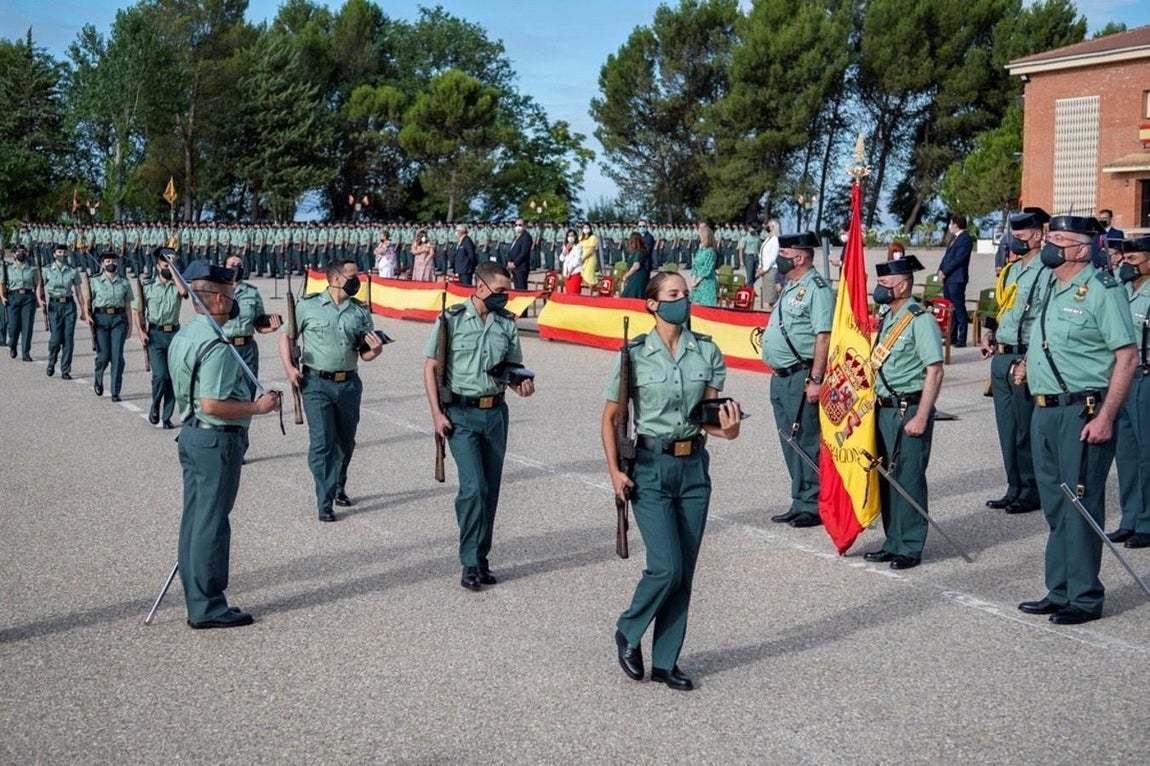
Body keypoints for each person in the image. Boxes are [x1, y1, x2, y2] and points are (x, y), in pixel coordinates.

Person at [602, 271, 741, 691]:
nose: (683, 300)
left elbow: (711, 418)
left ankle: (666, 661)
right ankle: (629, 628)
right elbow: (610, 418)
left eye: (686, 293)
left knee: (685, 572)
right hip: (649, 466)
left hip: (694, 469)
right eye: (673, 294)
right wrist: (614, 471)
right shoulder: (633, 354)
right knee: (666, 567)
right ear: (652, 303)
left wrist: (729, 430)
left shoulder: (708, 352)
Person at [1014, 215, 1136, 625]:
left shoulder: (1103, 291)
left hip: (1082, 412)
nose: (1049, 243)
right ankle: (1060, 588)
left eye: (1059, 239)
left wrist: (1106, 417)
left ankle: (1084, 597)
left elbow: (1126, 356)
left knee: (1080, 503)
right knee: (1054, 505)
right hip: (1045, 411)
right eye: (1050, 237)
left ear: (1083, 249)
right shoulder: (1053, 284)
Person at [170, 259, 282, 629]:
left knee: (196, 520)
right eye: (231, 295)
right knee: (211, 523)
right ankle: (207, 606)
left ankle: (198, 597)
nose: (235, 302)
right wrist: (258, 408)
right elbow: (212, 403)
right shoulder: (216, 345)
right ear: (216, 300)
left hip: (193, 433)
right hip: (215, 437)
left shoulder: (187, 334)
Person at [423, 261, 535, 590]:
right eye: (500, 290)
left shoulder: (506, 323)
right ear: (481, 286)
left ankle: (482, 558)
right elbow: (430, 368)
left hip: (496, 414)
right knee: (474, 489)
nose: (506, 296)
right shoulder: (450, 321)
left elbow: (513, 365)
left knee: (491, 491)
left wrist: (520, 383)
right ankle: (469, 561)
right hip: (461, 415)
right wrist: (436, 414)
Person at [280, 259, 383, 522]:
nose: (356, 279)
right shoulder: (308, 305)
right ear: (336, 278)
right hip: (316, 384)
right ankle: (324, 500)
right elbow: (287, 336)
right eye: (351, 275)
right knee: (322, 443)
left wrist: (376, 350)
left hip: (349, 384)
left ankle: (338, 485)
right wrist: (290, 370)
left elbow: (364, 352)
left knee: (345, 442)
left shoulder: (359, 311)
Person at [862, 255, 945, 570]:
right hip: (883, 409)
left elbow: (934, 371)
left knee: (908, 477)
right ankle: (892, 541)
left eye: (885, 284)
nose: (879, 289)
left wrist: (922, 416)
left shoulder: (919, 319)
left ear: (904, 284)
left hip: (907, 408)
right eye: (879, 283)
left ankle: (910, 545)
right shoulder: (889, 317)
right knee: (887, 478)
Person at [979, 208, 1050, 514]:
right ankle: (1014, 486)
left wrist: (1031, 360)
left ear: (1037, 235)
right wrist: (988, 330)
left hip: (1024, 356)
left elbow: (1043, 319)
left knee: (1025, 428)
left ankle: (1032, 488)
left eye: (1020, 236)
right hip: (1001, 354)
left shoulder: (1046, 271)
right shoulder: (1010, 270)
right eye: (1013, 236)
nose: (1014, 241)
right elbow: (1001, 305)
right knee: (1006, 428)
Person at [762, 232, 833, 528]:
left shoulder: (817, 289)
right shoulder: (792, 286)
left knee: (805, 438)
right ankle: (799, 498)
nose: (780, 258)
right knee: (790, 440)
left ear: (800, 257)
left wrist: (816, 379)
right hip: (780, 377)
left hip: (801, 376)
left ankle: (814, 503)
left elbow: (823, 336)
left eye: (785, 252)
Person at [1109, 235, 1150, 548]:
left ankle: (1147, 522)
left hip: (1146, 378)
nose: (1126, 265)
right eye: (1124, 260)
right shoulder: (1121, 290)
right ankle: (1130, 517)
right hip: (1122, 378)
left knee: (1147, 454)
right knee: (1125, 453)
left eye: (1133, 261)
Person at [136, 249, 188, 428]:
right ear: (157, 266)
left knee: (173, 378)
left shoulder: (178, 284)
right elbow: (139, 311)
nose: (169, 268)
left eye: (172, 265)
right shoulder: (148, 286)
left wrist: (174, 270)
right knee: (160, 375)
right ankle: (155, 404)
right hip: (156, 335)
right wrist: (140, 332)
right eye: (166, 265)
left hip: (174, 334)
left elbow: (184, 293)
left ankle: (166, 417)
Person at [222, 254, 280, 400]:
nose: (235, 267)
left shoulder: (252, 293)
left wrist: (271, 328)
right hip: (226, 347)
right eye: (231, 264)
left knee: (248, 391)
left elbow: (258, 324)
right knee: (225, 392)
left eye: (239, 265)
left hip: (248, 349)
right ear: (224, 268)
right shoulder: (218, 292)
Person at [88, 251, 136, 401]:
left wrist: (131, 326)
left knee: (117, 356)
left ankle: (115, 391)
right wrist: (87, 315)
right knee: (104, 355)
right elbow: (88, 300)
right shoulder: (94, 281)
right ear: (102, 264)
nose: (111, 264)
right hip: (101, 319)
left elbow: (128, 305)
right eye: (108, 261)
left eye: (113, 261)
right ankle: (98, 376)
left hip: (119, 320)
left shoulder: (124, 282)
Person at [42, 243, 89, 379]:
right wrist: (40, 300)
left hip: (69, 306)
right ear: (54, 254)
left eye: (64, 252)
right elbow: (39, 286)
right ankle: (52, 360)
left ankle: (65, 369)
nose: (62, 255)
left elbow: (79, 293)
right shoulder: (47, 270)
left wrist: (84, 310)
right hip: (54, 305)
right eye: (59, 252)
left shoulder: (73, 271)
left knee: (68, 339)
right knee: (56, 339)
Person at [937, 213, 972, 347]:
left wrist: (945, 271)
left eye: (951, 223)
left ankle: (961, 338)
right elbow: (947, 257)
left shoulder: (965, 239)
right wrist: (940, 270)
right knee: (950, 308)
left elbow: (958, 259)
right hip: (948, 279)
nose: (950, 226)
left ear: (956, 224)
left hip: (957, 278)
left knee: (959, 308)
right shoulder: (954, 239)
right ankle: (951, 336)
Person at [3, 245, 41, 361]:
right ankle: (13, 345)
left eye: (22, 251)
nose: (20, 253)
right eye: (18, 251)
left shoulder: (32, 269)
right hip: (13, 297)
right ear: (14, 254)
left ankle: (26, 352)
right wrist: (2, 296)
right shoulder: (8, 269)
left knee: (27, 326)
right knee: (13, 327)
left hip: (28, 298)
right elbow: (3, 283)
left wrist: (38, 298)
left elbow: (38, 284)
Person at [690, 222, 718, 307]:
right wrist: (693, 280)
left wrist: (697, 281)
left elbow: (707, 269)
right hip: (697, 284)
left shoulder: (710, 252)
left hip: (706, 283)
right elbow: (695, 266)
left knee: (706, 308)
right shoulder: (700, 251)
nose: (701, 240)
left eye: (702, 238)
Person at [755, 219, 781, 307]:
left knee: (772, 298)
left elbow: (772, 258)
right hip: (765, 270)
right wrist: (759, 267)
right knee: (769, 298)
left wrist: (764, 269)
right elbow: (762, 254)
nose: (766, 227)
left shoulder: (775, 240)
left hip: (771, 270)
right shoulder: (768, 238)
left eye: (768, 225)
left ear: (773, 227)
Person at [620, 231, 651, 299]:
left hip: (637, 277)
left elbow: (636, 266)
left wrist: (626, 275)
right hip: (635, 276)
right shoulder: (635, 252)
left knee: (628, 295)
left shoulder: (638, 252)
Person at [507, 218, 533, 291]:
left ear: (524, 226)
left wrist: (515, 263)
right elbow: (511, 249)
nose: (518, 227)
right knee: (516, 288)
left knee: (521, 289)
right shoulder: (516, 236)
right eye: (516, 225)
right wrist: (509, 261)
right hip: (514, 267)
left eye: (520, 225)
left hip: (521, 267)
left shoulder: (526, 237)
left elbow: (524, 252)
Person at [578, 223, 599, 294]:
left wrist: (583, 258)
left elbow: (591, 250)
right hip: (581, 259)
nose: (586, 229)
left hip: (590, 259)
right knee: (582, 276)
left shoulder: (593, 237)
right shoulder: (580, 238)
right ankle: (586, 294)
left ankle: (593, 293)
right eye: (584, 228)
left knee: (589, 277)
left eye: (587, 228)